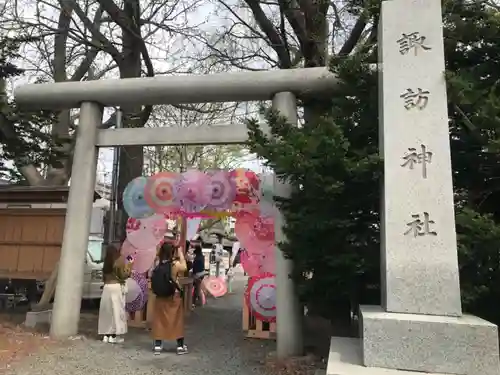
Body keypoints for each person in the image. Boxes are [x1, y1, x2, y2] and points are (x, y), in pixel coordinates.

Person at [151, 242, 188, 355]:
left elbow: (156, 257)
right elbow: (184, 267)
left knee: (159, 320)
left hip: (160, 296)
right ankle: (180, 346)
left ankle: (158, 345)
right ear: (172, 252)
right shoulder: (175, 265)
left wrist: (159, 250)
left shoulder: (157, 263)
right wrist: (180, 252)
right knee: (177, 320)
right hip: (173, 296)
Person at [98, 243, 130, 344]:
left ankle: (105, 336)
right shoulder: (119, 261)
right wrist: (129, 265)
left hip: (107, 288)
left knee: (107, 312)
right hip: (116, 287)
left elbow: (103, 278)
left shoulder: (105, 263)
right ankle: (113, 336)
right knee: (116, 312)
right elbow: (124, 275)